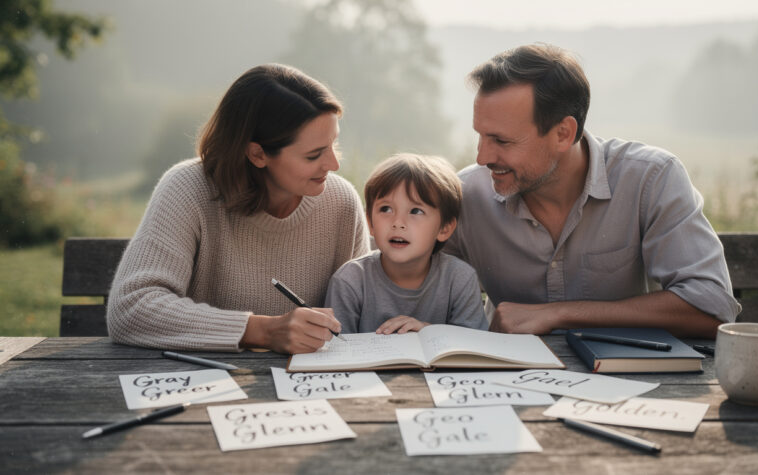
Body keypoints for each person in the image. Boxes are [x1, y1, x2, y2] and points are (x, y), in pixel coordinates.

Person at [444, 43, 740, 338]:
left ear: (563, 134)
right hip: (501, 382)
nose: (482, 157)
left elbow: (711, 306)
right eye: (480, 136)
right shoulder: (465, 196)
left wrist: (559, 314)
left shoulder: (650, 178)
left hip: (632, 379)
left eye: (502, 141)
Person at [107, 64, 370, 353]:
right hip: (204, 382)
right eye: (314, 155)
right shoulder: (187, 189)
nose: (334, 165)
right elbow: (131, 308)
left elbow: (363, 310)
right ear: (257, 154)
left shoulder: (341, 202)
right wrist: (261, 331)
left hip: (311, 387)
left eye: (334, 144)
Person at [325, 153, 488, 334]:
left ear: (444, 228)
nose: (398, 222)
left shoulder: (460, 279)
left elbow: (473, 348)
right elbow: (336, 351)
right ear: (370, 223)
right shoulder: (349, 281)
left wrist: (428, 331)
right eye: (386, 209)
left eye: (416, 211)